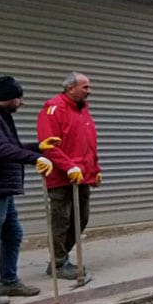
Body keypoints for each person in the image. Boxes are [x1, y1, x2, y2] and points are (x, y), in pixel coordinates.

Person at [0, 77, 59, 304]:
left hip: (2, 188)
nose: (22, 102)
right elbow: (0, 149)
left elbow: (10, 146)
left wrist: (38, 147)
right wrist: (36, 158)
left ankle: (8, 281)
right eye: (19, 97)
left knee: (13, 234)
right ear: (7, 97)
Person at [37, 72, 101, 280]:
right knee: (61, 220)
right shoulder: (54, 109)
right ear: (70, 88)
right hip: (61, 177)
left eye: (88, 87)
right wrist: (69, 167)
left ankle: (61, 257)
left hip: (82, 176)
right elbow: (49, 146)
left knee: (81, 218)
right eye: (85, 87)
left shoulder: (83, 112)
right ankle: (57, 262)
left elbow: (89, 143)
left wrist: (95, 169)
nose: (89, 91)